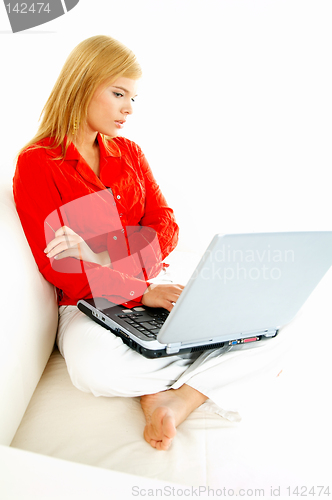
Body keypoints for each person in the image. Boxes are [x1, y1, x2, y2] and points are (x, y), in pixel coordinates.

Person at [13, 35, 286, 451]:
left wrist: (102, 253)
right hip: (88, 303)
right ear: (82, 84)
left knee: (276, 332)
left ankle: (178, 400)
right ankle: (204, 373)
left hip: (157, 281)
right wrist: (141, 288)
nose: (129, 109)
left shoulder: (130, 153)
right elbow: (62, 270)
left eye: (134, 98)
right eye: (118, 93)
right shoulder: (37, 163)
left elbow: (166, 225)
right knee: (94, 371)